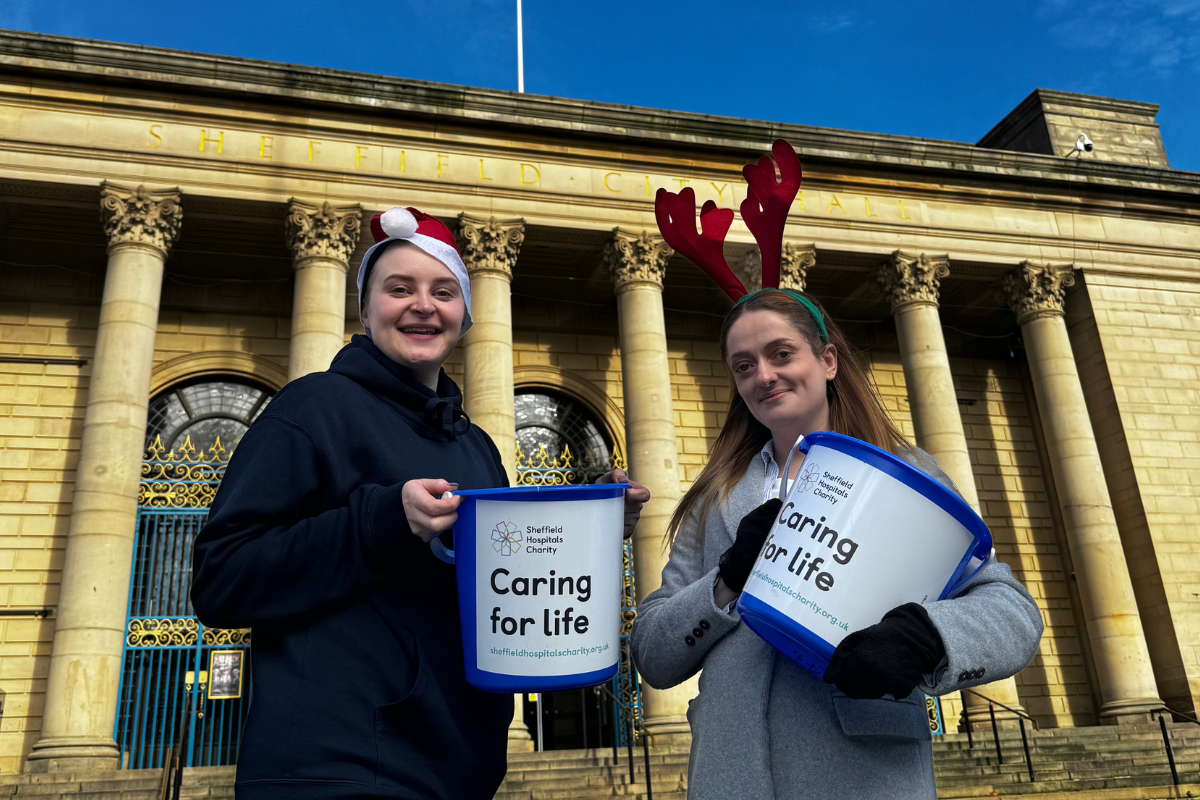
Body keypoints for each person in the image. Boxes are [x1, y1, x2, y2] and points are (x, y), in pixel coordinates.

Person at [191, 206, 648, 800]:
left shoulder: (475, 442)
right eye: (398, 288)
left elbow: (500, 575)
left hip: (457, 770)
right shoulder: (313, 408)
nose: (423, 305)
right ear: (365, 308)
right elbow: (222, 579)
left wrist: (588, 523)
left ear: (463, 314)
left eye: (443, 291)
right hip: (336, 767)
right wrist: (382, 521)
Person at [630, 142, 1043, 800]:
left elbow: (1011, 611)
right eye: (744, 365)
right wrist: (728, 579)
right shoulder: (716, 499)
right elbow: (654, 652)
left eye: (780, 353)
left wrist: (927, 637)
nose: (763, 376)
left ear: (826, 360)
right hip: (729, 780)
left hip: (864, 776)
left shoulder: (904, 472)